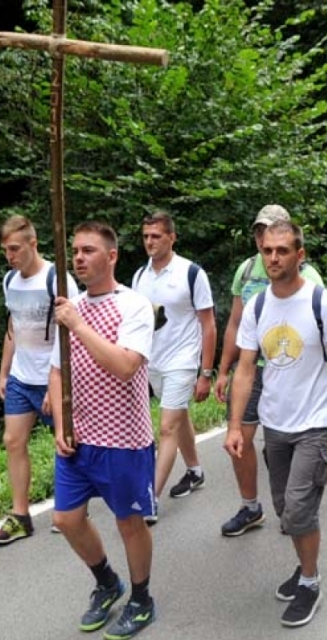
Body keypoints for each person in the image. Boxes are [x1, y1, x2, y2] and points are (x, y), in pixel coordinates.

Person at [224, 219, 327, 628]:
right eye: (267, 250)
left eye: (282, 250)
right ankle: (304, 565)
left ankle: (310, 580)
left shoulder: (324, 304)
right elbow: (245, 369)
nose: (273, 257)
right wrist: (234, 425)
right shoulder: (257, 306)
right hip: (275, 423)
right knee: (286, 509)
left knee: (300, 510)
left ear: (299, 255)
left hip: (316, 424)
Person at [49, 220, 157, 640]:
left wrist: (78, 326)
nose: (79, 258)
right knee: (66, 518)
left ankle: (142, 599)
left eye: (88, 250)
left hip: (123, 439)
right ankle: (107, 582)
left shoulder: (133, 306)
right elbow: (56, 371)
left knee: (129, 521)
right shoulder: (70, 307)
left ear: (111, 256)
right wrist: (61, 424)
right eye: (75, 250)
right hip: (79, 439)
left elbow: (126, 366)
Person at [215, 205, 325, 538]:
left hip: (290, 370)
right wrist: (222, 370)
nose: (264, 238)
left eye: (272, 230)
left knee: (289, 442)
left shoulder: (310, 276)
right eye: (260, 231)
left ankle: (296, 505)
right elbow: (235, 323)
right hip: (251, 368)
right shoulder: (247, 270)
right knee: (240, 438)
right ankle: (250, 506)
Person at [0, 214, 78, 545]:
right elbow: (13, 328)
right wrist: (4, 372)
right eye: (5, 250)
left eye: (15, 249)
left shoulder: (57, 280)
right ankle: (20, 516)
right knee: (13, 441)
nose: (10, 256)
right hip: (21, 376)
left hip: (52, 375)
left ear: (33, 243)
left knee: (66, 443)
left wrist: (57, 382)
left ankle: (72, 507)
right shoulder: (9, 281)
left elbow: (71, 333)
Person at [131, 211, 216, 515]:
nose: (150, 242)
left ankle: (149, 499)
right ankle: (195, 470)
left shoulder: (191, 273)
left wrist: (205, 373)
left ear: (172, 238)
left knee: (167, 427)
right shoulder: (139, 277)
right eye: (146, 236)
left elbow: (208, 324)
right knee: (178, 416)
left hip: (182, 360)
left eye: (156, 236)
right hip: (151, 361)